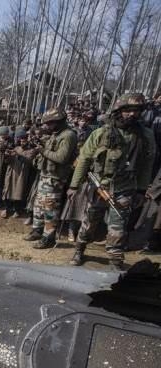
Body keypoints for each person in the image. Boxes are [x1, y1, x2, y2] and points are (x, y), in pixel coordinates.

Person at [67, 93, 156, 269]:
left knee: (118, 228)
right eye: (128, 110)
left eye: (137, 110)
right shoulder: (101, 133)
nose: (132, 114)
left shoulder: (145, 136)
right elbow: (84, 159)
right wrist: (74, 185)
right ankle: (79, 249)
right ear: (119, 110)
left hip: (125, 188)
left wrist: (141, 190)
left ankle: (115, 260)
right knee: (90, 222)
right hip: (99, 186)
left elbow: (147, 164)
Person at [25, 107, 77, 249]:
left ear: (59, 121)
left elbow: (61, 158)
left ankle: (48, 237)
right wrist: (41, 144)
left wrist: (41, 150)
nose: (46, 126)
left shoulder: (68, 135)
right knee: (39, 206)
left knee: (50, 209)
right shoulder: (55, 134)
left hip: (56, 178)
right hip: (45, 175)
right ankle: (37, 230)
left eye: (49, 123)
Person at [1, 130, 35, 218]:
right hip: (12, 173)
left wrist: (18, 155)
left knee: (18, 193)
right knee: (8, 191)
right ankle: (6, 209)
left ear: (27, 140)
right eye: (20, 141)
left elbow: (28, 161)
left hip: (21, 175)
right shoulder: (16, 148)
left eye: (24, 141)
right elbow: (7, 161)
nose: (22, 142)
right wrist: (7, 155)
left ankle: (17, 210)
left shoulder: (31, 151)